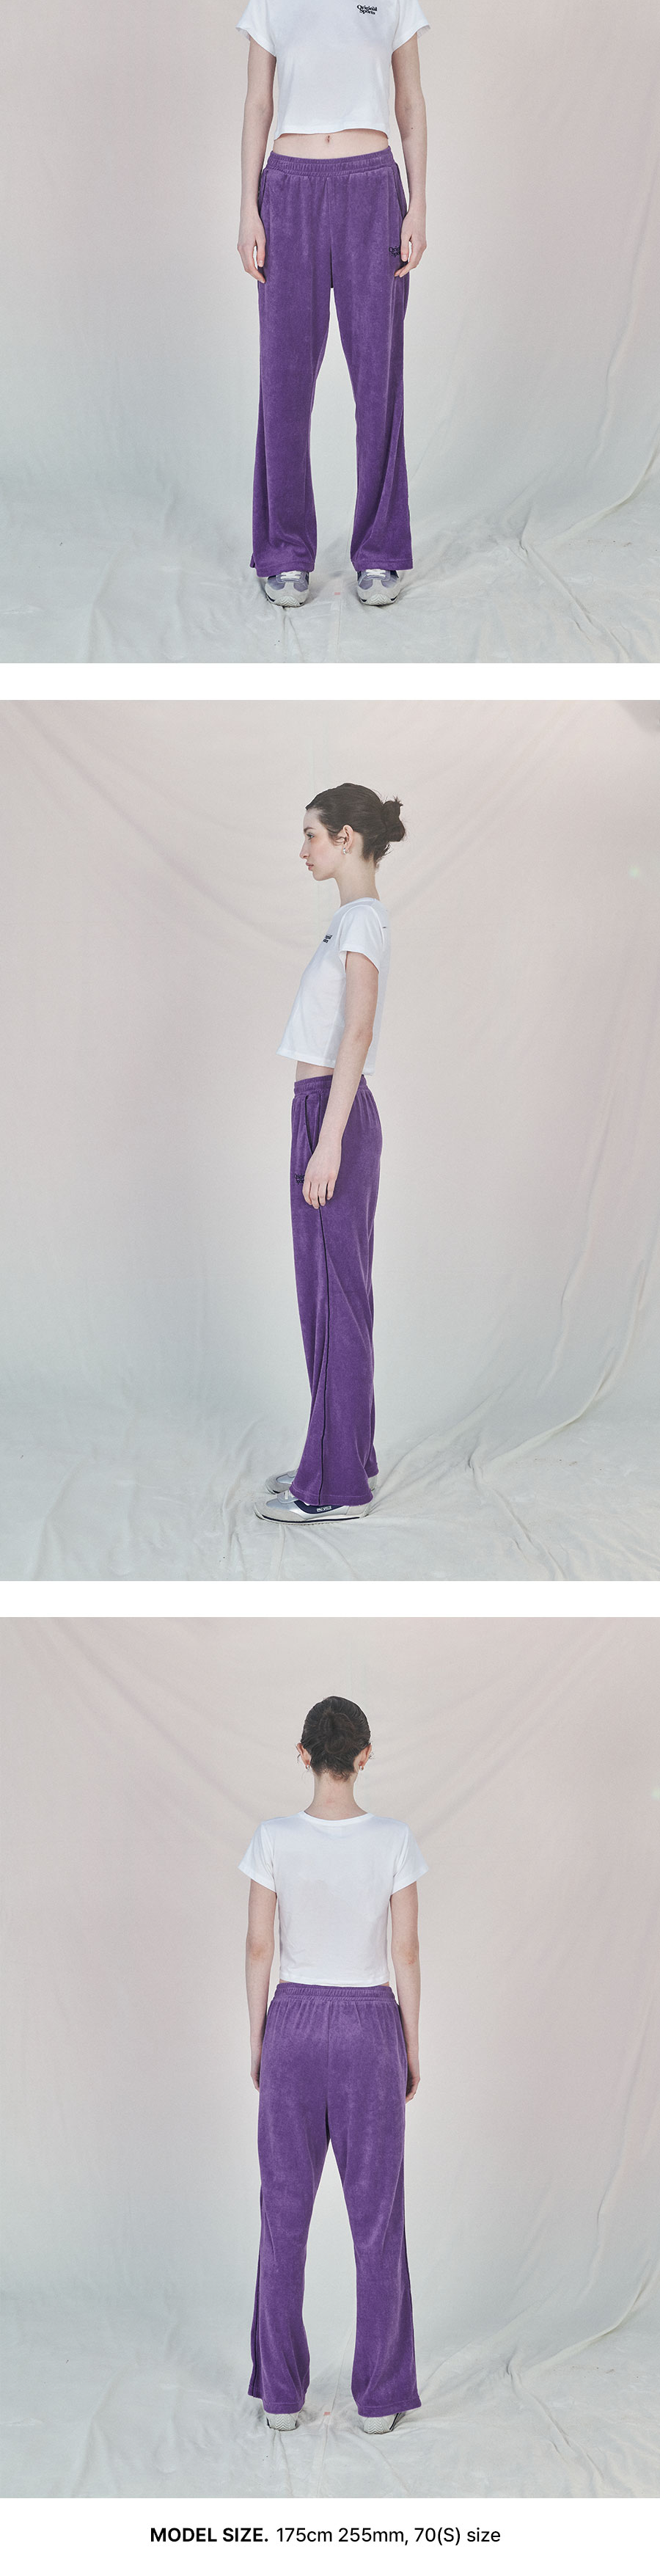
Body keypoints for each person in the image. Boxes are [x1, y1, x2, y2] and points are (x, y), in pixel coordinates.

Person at [237, 0, 428, 610]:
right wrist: (248, 208)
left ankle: (379, 552)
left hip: (372, 191)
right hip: (287, 192)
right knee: (285, 378)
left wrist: (418, 206)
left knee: (377, 378)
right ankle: (285, 550)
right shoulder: (272, 1)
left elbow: (410, 106)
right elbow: (257, 107)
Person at [240, 1693, 427, 2432]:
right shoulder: (395, 1840)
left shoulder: (272, 1838)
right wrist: (411, 2043)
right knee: (376, 2219)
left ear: (303, 1754)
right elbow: (405, 1951)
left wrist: (259, 2037)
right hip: (370, 2027)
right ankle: (379, 2401)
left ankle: (281, 2400)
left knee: (282, 2216)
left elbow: (259, 1946)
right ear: (364, 1755)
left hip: (292, 2023)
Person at [254, 781, 406, 1527]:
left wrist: (330, 1142)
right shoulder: (350, 919)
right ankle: (341, 1451)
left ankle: (337, 1484)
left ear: (347, 838)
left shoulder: (363, 920)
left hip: (332, 1117)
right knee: (330, 1295)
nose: (304, 849)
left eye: (312, 834)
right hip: (320, 1112)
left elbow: (358, 1031)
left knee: (335, 1298)